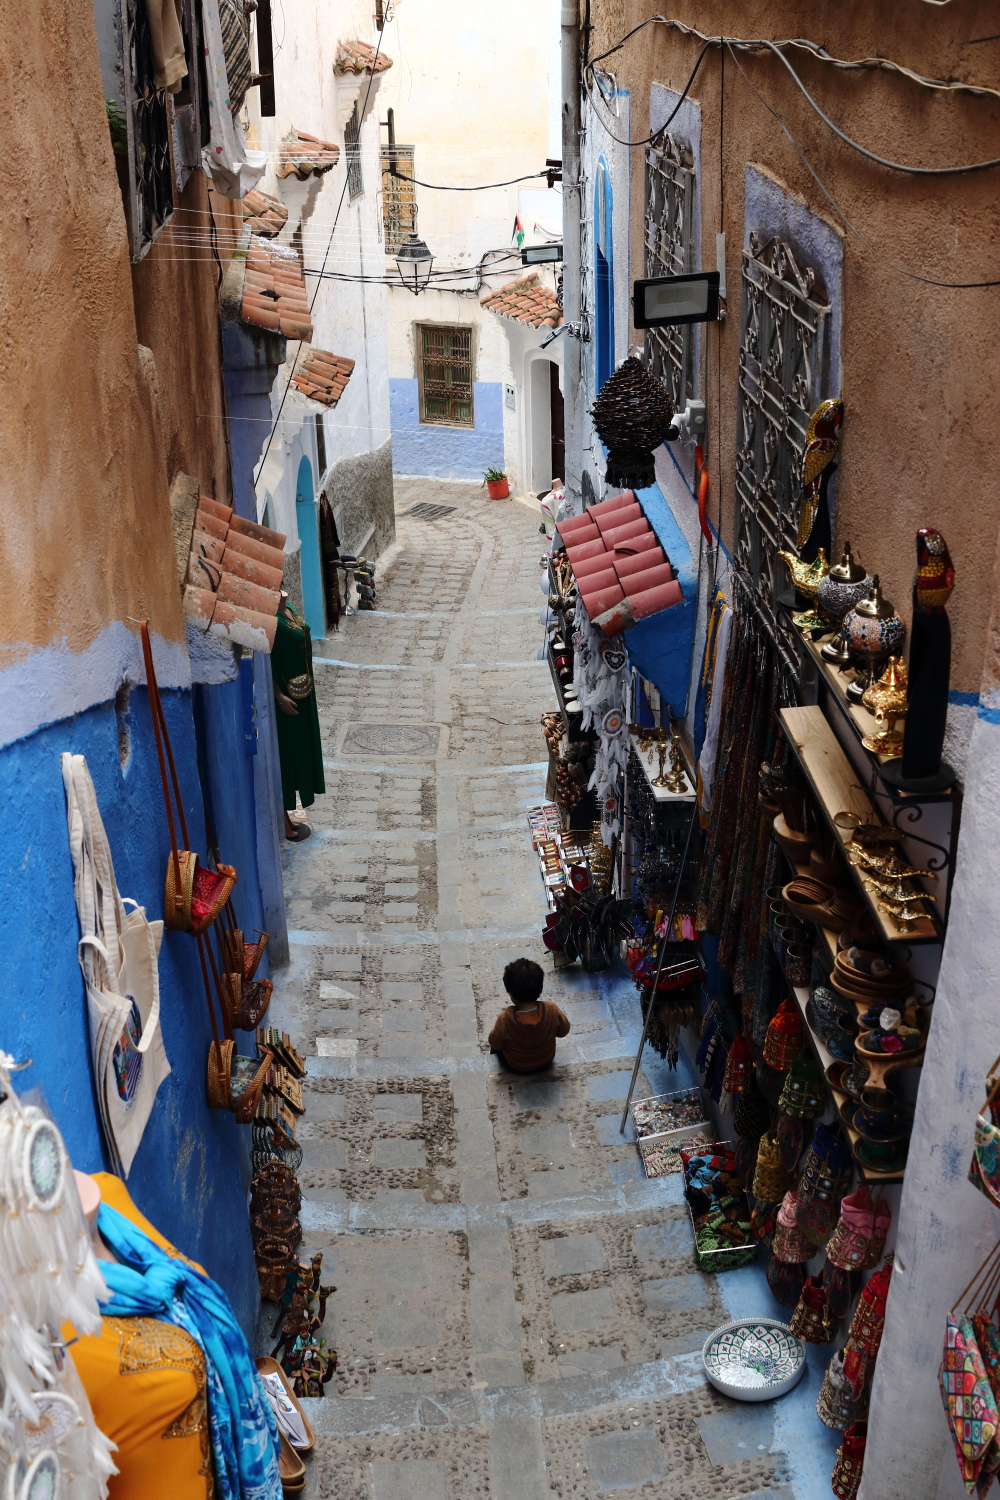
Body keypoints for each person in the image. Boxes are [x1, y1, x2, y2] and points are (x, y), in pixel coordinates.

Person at [271, 592, 325, 842]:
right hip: (288, 702)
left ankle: (288, 817)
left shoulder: (287, 608)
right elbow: (267, 661)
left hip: (303, 694)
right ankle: (283, 821)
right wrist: (279, 696)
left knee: (301, 750)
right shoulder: (270, 619)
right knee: (286, 756)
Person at [488, 958, 570, 1073]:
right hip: (546, 1062)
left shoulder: (505, 1019)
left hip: (516, 1067)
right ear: (541, 989)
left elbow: (495, 1044)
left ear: (510, 994)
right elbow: (564, 1031)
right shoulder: (552, 1010)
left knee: (496, 1040)